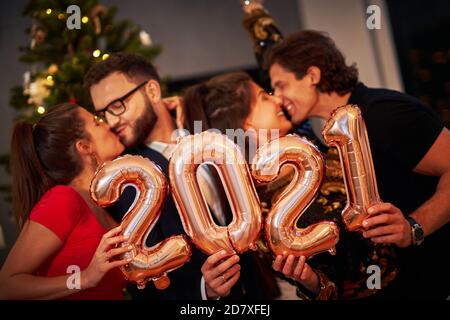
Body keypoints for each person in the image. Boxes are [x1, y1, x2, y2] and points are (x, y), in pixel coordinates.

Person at [265, 30, 450, 299]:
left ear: (312, 76)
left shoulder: (384, 112)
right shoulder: (331, 133)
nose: (278, 97)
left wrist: (413, 227)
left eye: (281, 85)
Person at [84, 53, 277, 300]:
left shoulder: (204, 126)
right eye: (103, 113)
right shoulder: (129, 182)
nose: (111, 121)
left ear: (152, 91)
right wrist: (203, 291)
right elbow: (142, 279)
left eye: (117, 105)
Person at [183, 71, 339, 300]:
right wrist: (310, 281)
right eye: (264, 97)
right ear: (247, 122)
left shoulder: (314, 153)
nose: (277, 99)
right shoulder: (256, 214)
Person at [0, 103, 130, 300]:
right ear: (84, 147)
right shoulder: (62, 199)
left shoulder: (100, 201)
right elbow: (7, 285)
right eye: (97, 122)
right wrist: (84, 278)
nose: (107, 124)